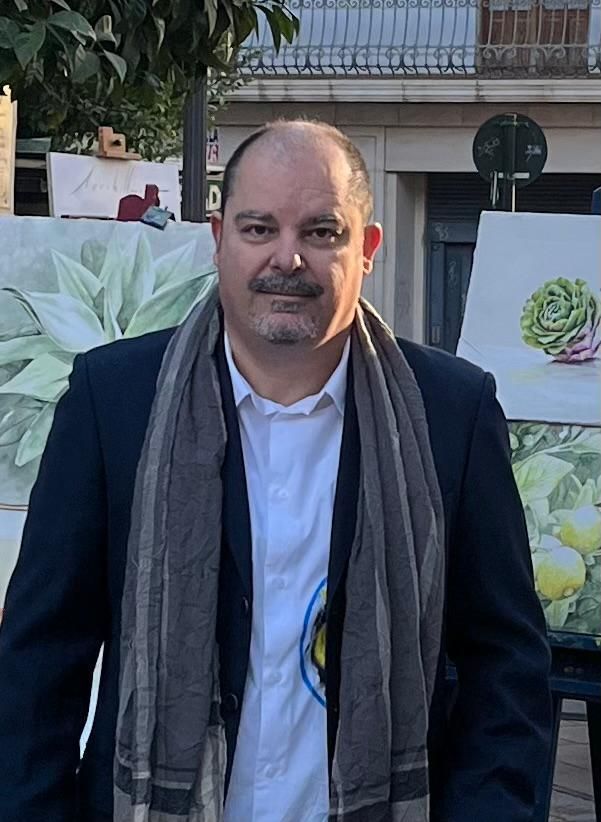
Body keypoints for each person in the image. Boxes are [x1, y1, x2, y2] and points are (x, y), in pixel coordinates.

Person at [0, 120, 551, 822]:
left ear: (367, 248)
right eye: (258, 229)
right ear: (218, 239)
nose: (286, 259)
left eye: (321, 232)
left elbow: (506, 663)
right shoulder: (114, 402)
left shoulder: (451, 413)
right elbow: (40, 658)